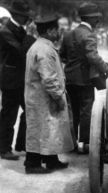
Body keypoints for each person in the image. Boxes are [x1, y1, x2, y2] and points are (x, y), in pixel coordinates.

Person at [24, 14, 74, 174]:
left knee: (49, 130)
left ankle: (51, 160)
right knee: (40, 130)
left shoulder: (40, 46)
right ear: (51, 31)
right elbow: (49, 79)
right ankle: (31, 164)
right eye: (57, 30)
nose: (60, 32)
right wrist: (58, 96)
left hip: (40, 97)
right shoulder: (44, 50)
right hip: (43, 98)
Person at [60, 2, 108, 153]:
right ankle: (86, 143)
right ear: (90, 18)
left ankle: (71, 144)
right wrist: (104, 67)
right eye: (96, 18)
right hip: (85, 80)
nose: (98, 21)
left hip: (70, 79)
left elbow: (62, 55)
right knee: (86, 111)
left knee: (72, 112)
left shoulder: (68, 34)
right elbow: (92, 56)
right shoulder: (89, 35)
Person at [0, 0, 35, 160]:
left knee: (29, 111)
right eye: (25, 16)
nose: (28, 19)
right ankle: (4, 148)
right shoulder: (5, 31)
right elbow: (21, 51)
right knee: (9, 115)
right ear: (17, 16)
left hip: (21, 80)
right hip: (10, 81)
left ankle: (22, 143)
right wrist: (29, 35)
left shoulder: (18, 29)